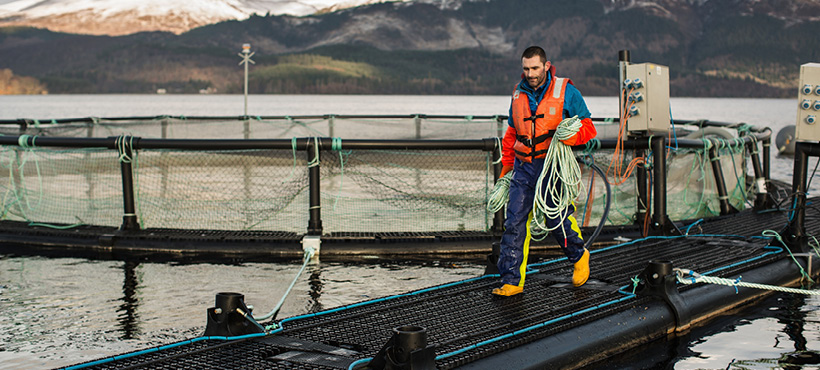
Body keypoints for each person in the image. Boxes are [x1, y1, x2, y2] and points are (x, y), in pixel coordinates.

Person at [493, 46, 597, 296]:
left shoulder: (567, 92)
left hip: (552, 165)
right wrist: (506, 168)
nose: (530, 73)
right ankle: (512, 281)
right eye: (526, 68)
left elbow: (589, 128)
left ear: (546, 66)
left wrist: (569, 137)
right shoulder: (518, 95)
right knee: (514, 220)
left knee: (555, 218)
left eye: (535, 68)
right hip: (523, 167)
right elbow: (511, 134)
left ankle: (579, 255)